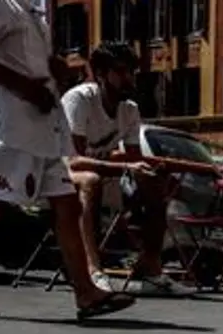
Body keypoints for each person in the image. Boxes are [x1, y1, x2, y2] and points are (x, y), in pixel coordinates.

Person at [0, 0, 135, 320]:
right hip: (12, 127)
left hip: (44, 130)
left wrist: (52, 67)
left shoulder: (31, 9)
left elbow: (24, 59)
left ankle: (86, 292)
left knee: (68, 205)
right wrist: (24, 86)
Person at [62, 44, 189, 297]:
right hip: (57, 174)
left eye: (131, 71)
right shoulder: (80, 99)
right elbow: (73, 160)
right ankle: (92, 269)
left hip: (102, 174)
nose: (128, 78)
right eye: (120, 72)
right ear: (100, 73)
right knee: (89, 180)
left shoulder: (129, 109)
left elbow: (134, 160)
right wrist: (126, 166)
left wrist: (155, 177)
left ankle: (151, 267)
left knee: (154, 181)